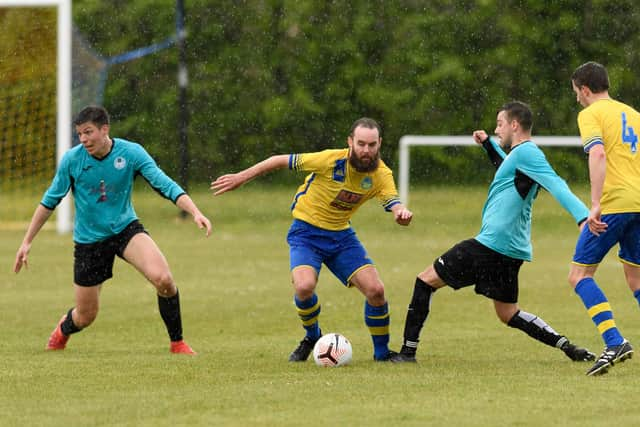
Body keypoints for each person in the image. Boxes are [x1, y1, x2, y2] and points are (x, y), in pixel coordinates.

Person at [393, 101, 595, 365]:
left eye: (500, 124)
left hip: (489, 245)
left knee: (424, 281)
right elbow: (505, 166)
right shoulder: (520, 157)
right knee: (508, 313)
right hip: (511, 251)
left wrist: (582, 217)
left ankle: (407, 354)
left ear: (514, 124)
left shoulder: (528, 154)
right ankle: (569, 347)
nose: (497, 128)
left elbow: (557, 184)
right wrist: (489, 144)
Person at [13, 105, 211, 355]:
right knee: (86, 316)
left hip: (125, 229)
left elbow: (164, 184)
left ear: (104, 129)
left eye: (88, 132)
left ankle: (177, 343)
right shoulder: (72, 160)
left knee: (164, 280)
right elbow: (49, 201)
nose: (83, 140)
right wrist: (26, 241)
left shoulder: (131, 153)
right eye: (80, 134)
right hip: (89, 241)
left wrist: (195, 211)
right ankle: (63, 329)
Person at [211, 117, 413, 362]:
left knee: (376, 290)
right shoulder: (330, 160)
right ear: (350, 142)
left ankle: (382, 354)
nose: (366, 150)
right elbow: (278, 160)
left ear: (379, 143)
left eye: (372, 145)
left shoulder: (381, 174)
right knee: (304, 287)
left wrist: (400, 212)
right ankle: (312, 336)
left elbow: (392, 200)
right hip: (306, 233)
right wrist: (241, 178)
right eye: (360, 144)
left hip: (341, 237)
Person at [568, 61, 637, 376]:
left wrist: (595, 204)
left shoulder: (590, 114)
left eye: (576, 93)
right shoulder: (633, 114)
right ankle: (615, 341)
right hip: (638, 203)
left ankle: (614, 341)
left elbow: (597, 154)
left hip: (614, 204)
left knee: (580, 276)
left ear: (584, 89)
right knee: (636, 279)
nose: (577, 100)